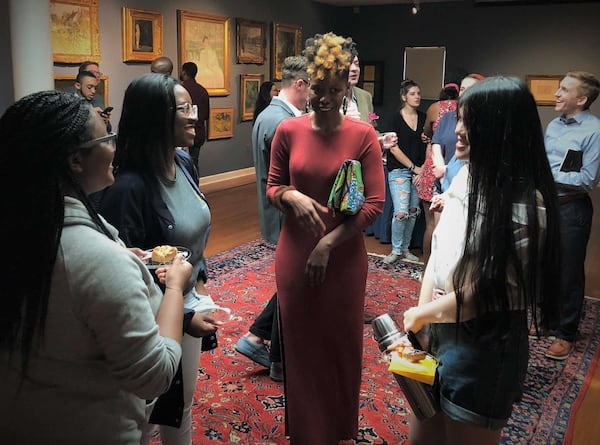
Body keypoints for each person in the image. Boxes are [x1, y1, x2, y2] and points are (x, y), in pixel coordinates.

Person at [0, 91, 189, 444]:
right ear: (75, 160)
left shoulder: (21, 233)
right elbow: (155, 376)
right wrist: (175, 288)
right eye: (107, 137)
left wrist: (117, 257)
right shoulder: (98, 261)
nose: (115, 147)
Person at [395, 76, 560, 444]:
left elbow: (486, 294)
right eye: (461, 119)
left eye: (473, 122)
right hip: (440, 327)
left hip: (483, 346)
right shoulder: (468, 174)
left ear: (504, 132)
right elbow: (437, 253)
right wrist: (423, 323)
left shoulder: (523, 205)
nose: (460, 130)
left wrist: (422, 316)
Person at [266, 32, 385, 444]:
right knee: (300, 352)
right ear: (307, 84)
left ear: (347, 87)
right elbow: (272, 186)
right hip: (294, 255)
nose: (324, 98)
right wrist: (290, 194)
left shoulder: (362, 135)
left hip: (343, 261)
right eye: (318, 89)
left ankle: (336, 431)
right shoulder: (288, 130)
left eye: (334, 90)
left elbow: (374, 205)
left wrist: (327, 244)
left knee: (339, 347)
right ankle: (306, 434)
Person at [98, 73, 219, 445]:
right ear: (157, 118)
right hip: (154, 318)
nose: (193, 116)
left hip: (188, 303)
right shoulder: (128, 188)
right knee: (147, 412)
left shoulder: (183, 162)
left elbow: (193, 234)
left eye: (191, 107)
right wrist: (183, 315)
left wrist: (199, 287)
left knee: (180, 405)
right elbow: (125, 279)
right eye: (183, 109)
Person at [235, 56, 310, 382]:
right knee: (295, 285)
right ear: (300, 84)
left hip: (279, 213)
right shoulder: (282, 122)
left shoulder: (270, 114)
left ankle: (262, 344)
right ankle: (271, 352)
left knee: (293, 284)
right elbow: (298, 175)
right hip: (287, 214)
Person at [540, 71, 600, 360]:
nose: (557, 93)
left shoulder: (594, 131)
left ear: (582, 99)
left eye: (564, 89)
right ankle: (548, 320)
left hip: (572, 208)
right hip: (546, 205)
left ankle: (565, 333)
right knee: (546, 264)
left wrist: (544, 174)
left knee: (569, 271)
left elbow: (587, 179)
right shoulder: (553, 126)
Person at [383, 79, 427, 264]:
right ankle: (396, 249)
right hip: (400, 170)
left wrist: (423, 169)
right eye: (412, 94)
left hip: (420, 172)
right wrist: (413, 168)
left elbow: (432, 142)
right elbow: (393, 148)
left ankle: (405, 248)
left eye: (418, 93)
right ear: (404, 97)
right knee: (401, 212)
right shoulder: (394, 118)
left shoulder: (424, 118)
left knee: (413, 210)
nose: (417, 97)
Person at [415, 83, 459, 266]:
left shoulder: (434, 108)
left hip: (433, 168)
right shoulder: (466, 112)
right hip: (454, 168)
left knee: (431, 225)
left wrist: (428, 137)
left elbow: (426, 133)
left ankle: (426, 270)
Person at [431, 74, 485, 194]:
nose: (458, 130)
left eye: (470, 89)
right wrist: (441, 174)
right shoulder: (448, 116)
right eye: (462, 89)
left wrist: (447, 171)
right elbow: (436, 143)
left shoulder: (483, 122)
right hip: (442, 182)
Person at [180, 61, 210, 170]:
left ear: (184, 72)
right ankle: (195, 185)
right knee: (194, 163)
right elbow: (206, 114)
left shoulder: (180, 90)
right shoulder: (202, 90)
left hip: (183, 133)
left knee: (182, 166)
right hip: (199, 132)